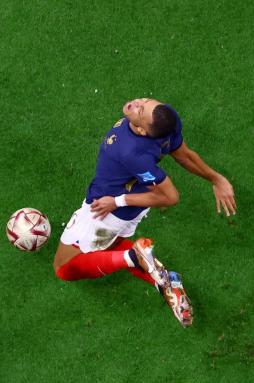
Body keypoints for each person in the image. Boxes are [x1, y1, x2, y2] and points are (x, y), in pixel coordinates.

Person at [53, 97, 237, 327]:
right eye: (145, 102)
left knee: (64, 268)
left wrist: (117, 201)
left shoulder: (130, 152)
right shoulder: (166, 118)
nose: (136, 103)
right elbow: (184, 155)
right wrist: (216, 179)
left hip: (106, 210)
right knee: (110, 245)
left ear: (140, 130)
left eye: (140, 110)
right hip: (137, 201)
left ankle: (133, 256)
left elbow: (170, 197)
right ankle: (170, 286)